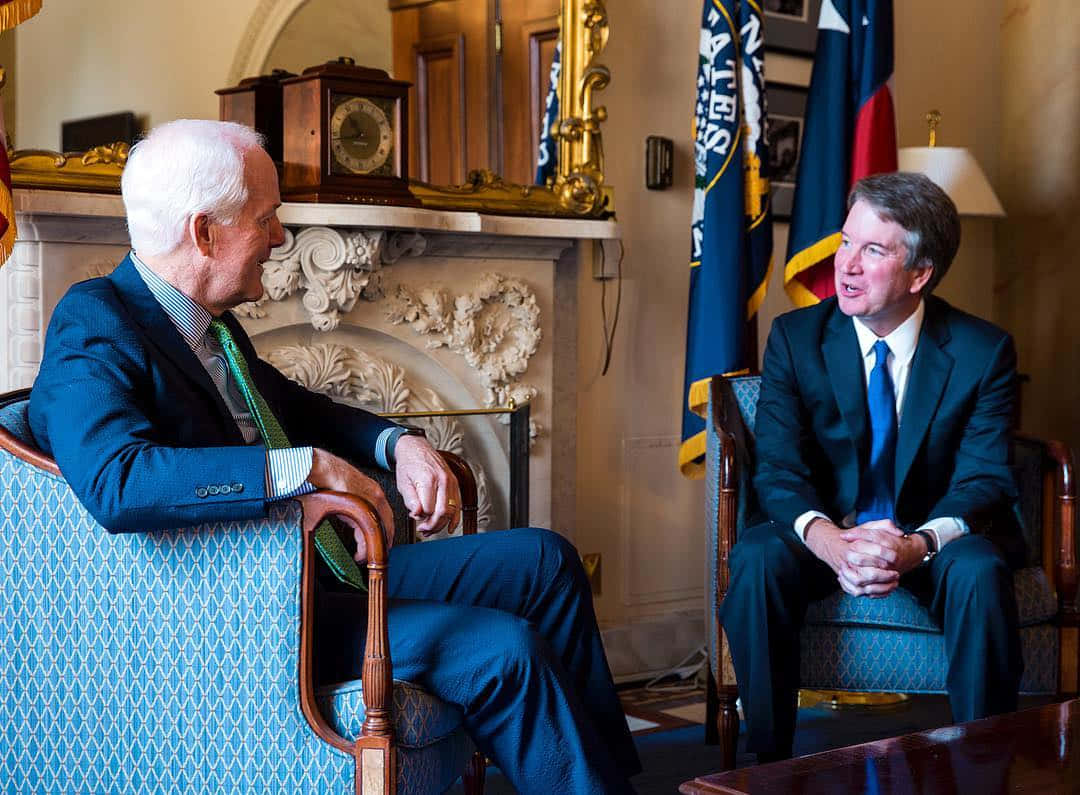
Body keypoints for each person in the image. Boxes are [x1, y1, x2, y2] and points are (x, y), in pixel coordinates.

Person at [28, 119, 640, 794]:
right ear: (204, 233)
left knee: (546, 561)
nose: (281, 237)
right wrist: (304, 470)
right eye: (267, 218)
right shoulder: (96, 319)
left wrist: (398, 443)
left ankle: (611, 781)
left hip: (321, 577)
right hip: (258, 616)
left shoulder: (213, 326)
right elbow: (117, 481)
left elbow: (303, 407)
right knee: (505, 648)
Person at [722, 171, 1023, 762]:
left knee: (980, 573)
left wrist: (918, 545)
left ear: (920, 274)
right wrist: (832, 542)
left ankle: (985, 766)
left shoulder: (983, 350)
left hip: (932, 535)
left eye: (873, 249)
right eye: (845, 241)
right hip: (830, 529)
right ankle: (767, 766)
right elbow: (779, 470)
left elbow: (984, 476)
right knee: (757, 558)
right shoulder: (796, 337)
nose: (846, 265)